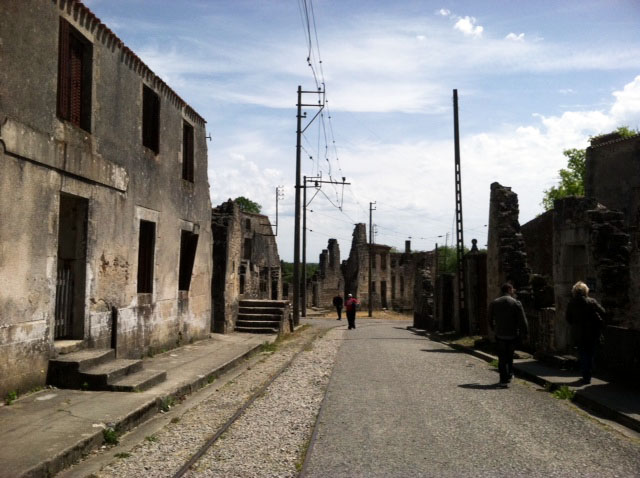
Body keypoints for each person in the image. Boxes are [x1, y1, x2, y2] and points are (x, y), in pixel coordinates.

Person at [488, 283, 529, 388]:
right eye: (512, 289)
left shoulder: (495, 302)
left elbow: (490, 318)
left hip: (500, 334)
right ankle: (510, 374)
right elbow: (522, 320)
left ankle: (503, 379)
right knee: (510, 355)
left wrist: (493, 328)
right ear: (509, 290)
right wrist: (525, 333)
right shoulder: (516, 303)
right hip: (512, 334)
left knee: (502, 357)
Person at [566, 281, 605, 385]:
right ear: (585, 291)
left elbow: (568, 318)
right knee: (590, 353)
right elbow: (603, 312)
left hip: (578, 333)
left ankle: (585, 375)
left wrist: (575, 324)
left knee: (582, 354)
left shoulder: (571, 303)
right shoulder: (591, 301)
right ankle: (589, 374)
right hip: (592, 332)